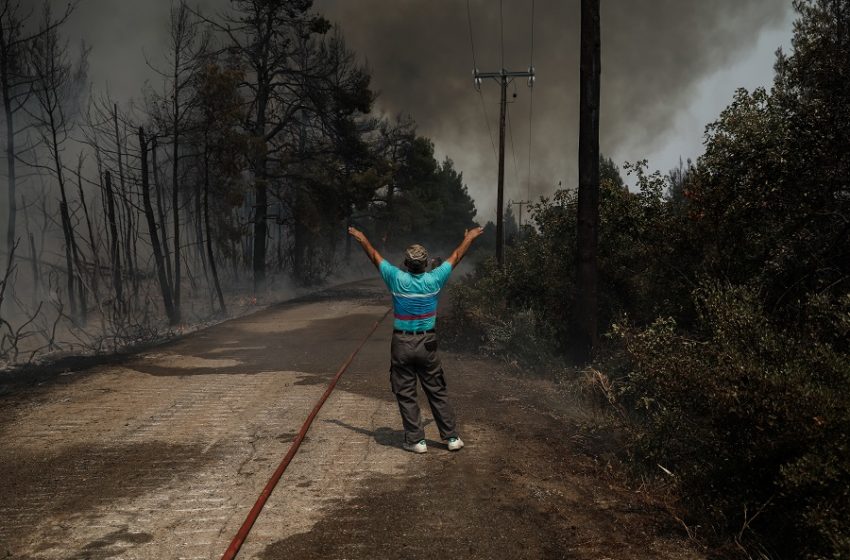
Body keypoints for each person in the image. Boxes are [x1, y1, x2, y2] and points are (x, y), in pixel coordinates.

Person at [347, 225, 485, 453]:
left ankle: (416, 440)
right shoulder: (434, 280)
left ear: (406, 263)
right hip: (428, 343)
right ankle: (451, 438)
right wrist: (469, 237)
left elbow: (374, 256)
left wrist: (362, 238)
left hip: (402, 344)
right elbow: (457, 256)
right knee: (436, 390)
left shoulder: (396, 278)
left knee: (406, 392)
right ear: (425, 263)